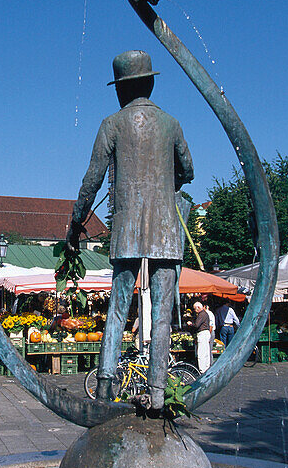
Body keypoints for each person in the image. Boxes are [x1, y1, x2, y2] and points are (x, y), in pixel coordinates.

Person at [66, 50, 193, 409]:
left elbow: (92, 179)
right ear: (150, 83)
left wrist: (76, 224)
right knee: (162, 315)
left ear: (120, 89)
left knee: (117, 310)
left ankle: (105, 384)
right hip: (166, 232)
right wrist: (164, 184)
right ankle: (156, 392)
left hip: (126, 231)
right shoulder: (171, 123)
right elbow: (188, 170)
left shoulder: (112, 124)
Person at [192, 301, 214, 373]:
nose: (195, 311)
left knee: (201, 353)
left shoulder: (201, 314)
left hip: (202, 333)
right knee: (206, 351)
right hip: (206, 333)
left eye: (195, 309)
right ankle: (207, 368)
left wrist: (191, 324)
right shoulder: (205, 313)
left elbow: (196, 325)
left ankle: (202, 370)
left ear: (198, 308)